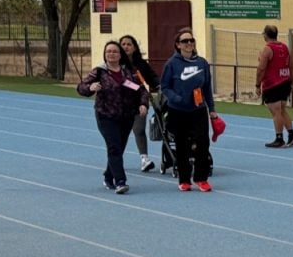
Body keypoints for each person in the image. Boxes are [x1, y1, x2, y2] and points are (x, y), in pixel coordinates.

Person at [76, 41, 149, 194]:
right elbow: (81, 88)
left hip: (127, 115)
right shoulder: (99, 72)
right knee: (114, 146)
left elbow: (141, 90)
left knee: (119, 148)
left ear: (120, 54)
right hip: (106, 115)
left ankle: (108, 176)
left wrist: (143, 104)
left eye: (115, 51)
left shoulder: (128, 72)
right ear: (105, 54)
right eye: (108, 51)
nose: (111, 54)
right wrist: (90, 88)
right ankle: (120, 181)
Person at [159, 28, 216, 192]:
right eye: (185, 41)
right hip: (178, 110)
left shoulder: (202, 63)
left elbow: (206, 88)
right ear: (178, 45)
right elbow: (165, 86)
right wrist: (176, 98)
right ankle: (184, 179)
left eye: (191, 40)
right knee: (182, 144)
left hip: (198, 109)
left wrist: (211, 109)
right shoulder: (171, 64)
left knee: (202, 143)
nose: (189, 43)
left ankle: (201, 178)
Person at [118, 34, 157, 173]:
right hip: (120, 103)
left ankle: (144, 159)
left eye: (129, 44)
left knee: (139, 129)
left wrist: (161, 87)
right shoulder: (116, 63)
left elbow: (153, 79)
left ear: (134, 47)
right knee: (120, 132)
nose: (126, 47)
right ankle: (116, 159)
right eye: (123, 44)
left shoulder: (141, 64)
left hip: (139, 101)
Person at [256, 24, 293, 148]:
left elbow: (261, 68)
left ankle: (279, 138)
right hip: (285, 82)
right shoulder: (285, 47)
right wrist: (291, 81)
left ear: (266, 35)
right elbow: (291, 66)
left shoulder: (267, 49)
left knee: (276, 112)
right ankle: (291, 135)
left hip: (273, 84)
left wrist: (258, 84)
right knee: (282, 110)